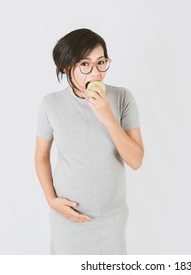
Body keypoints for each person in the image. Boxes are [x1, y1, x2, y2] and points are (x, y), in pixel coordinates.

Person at [34, 28, 144, 255]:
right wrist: (51, 200)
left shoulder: (122, 98)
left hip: (112, 219)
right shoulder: (51, 104)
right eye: (85, 64)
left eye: (101, 62)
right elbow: (41, 157)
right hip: (68, 217)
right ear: (66, 66)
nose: (95, 73)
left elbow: (135, 160)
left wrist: (107, 117)